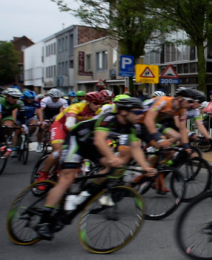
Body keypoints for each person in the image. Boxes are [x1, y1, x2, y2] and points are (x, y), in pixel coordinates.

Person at [36, 97, 156, 239]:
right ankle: (44, 218)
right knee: (67, 179)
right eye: (137, 112)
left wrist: (145, 167)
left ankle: (86, 191)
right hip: (77, 142)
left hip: (91, 147)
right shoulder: (108, 119)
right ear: (123, 112)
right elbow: (100, 140)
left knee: (116, 168)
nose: (141, 115)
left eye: (142, 112)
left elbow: (135, 148)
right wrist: (112, 158)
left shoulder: (132, 127)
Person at [1, 87, 24, 154]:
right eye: (13, 97)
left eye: (17, 98)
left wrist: (23, 124)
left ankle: (5, 138)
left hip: (7, 116)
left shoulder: (19, 103)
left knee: (8, 126)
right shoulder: (1, 100)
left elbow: (23, 114)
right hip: (1, 114)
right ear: (7, 96)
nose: (15, 100)